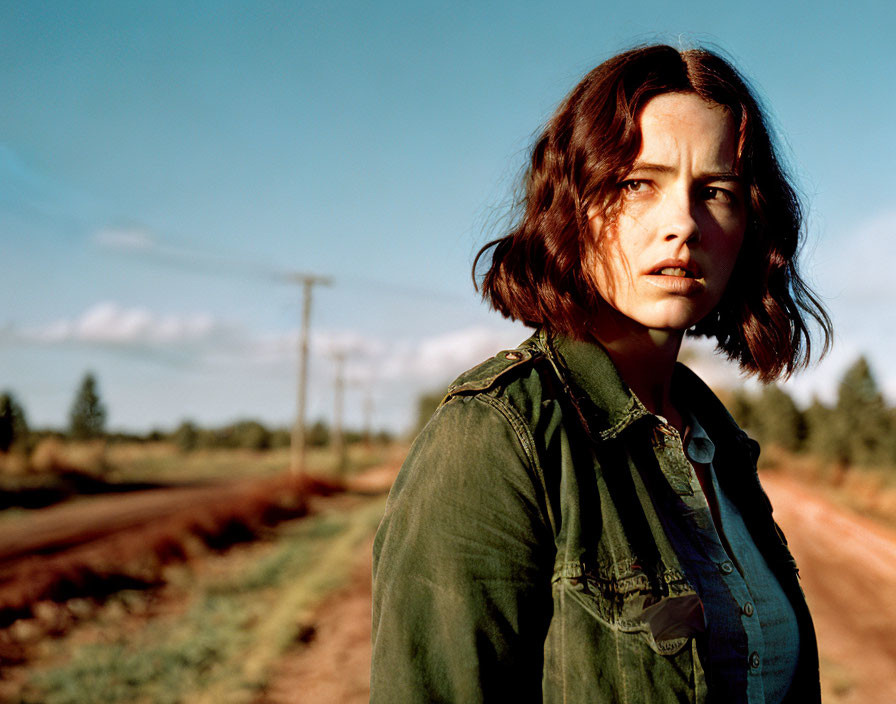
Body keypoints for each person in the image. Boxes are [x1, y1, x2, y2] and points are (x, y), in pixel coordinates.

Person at [370, 44, 831, 703]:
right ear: (574, 205)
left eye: (716, 191)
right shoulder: (498, 435)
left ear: (750, 225)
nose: (682, 224)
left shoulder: (718, 444)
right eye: (637, 183)